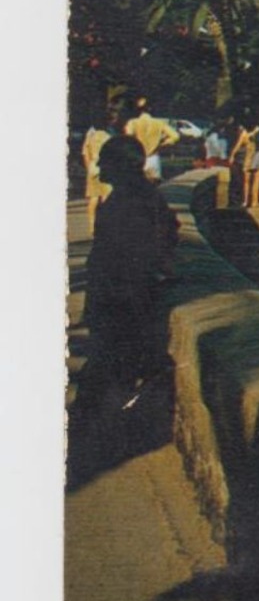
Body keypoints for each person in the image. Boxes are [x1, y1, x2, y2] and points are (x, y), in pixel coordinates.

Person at [79, 136, 179, 415]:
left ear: (120, 165)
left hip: (120, 305)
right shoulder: (142, 194)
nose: (99, 165)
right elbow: (170, 230)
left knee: (107, 384)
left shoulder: (130, 202)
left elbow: (126, 260)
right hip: (125, 301)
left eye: (105, 159)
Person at [80, 108, 122, 236]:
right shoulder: (109, 136)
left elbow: (84, 152)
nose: (115, 120)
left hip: (93, 166)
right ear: (108, 121)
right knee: (106, 198)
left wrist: (89, 167)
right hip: (106, 167)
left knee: (93, 198)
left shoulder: (91, 134)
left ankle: (92, 225)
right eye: (113, 118)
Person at [124, 97, 180, 181]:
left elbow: (128, 138)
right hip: (153, 158)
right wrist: (163, 144)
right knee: (154, 185)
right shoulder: (159, 123)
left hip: (138, 158)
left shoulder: (133, 123)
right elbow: (175, 136)